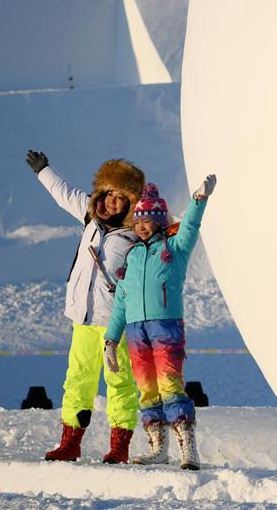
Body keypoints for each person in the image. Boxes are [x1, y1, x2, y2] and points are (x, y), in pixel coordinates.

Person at [25, 150, 144, 463]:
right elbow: (64, 194)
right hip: (84, 319)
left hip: (117, 325)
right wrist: (44, 170)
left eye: (119, 197)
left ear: (131, 202)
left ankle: (119, 447)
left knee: (119, 383)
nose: (109, 202)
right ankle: (70, 442)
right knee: (78, 379)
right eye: (106, 194)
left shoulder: (137, 235)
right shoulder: (90, 215)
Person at [103, 174, 216, 470]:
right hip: (136, 330)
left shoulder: (174, 248)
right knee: (147, 389)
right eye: (137, 221)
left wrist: (198, 200)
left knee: (170, 386)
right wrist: (111, 340)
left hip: (165, 327)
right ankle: (158, 449)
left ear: (159, 220)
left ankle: (188, 451)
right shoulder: (132, 255)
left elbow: (190, 226)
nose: (140, 226)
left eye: (147, 220)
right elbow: (121, 304)